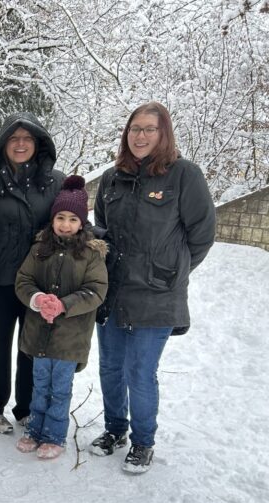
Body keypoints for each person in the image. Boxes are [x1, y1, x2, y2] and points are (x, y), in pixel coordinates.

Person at [90, 102, 216, 473]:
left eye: (149, 129)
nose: (140, 136)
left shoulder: (184, 176)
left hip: (158, 295)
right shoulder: (114, 178)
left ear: (164, 134)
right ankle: (115, 430)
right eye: (134, 129)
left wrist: (171, 272)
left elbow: (202, 235)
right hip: (114, 291)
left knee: (140, 372)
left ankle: (143, 442)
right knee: (110, 368)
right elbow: (104, 227)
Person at [0, 112, 65, 434]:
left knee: (33, 346)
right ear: (4, 145)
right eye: (14, 138)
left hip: (42, 282)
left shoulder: (57, 184)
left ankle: (27, 408)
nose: (21, 144)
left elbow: (71, 227)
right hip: (0, 281)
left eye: (27, 138)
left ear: (38, 144)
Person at [14, 176, 108, 459]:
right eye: (60, 218)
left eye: (72, 219)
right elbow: (24, 279)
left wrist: (64, 305)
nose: (65, 225)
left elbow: (96, 290)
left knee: (60, 388)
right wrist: (37, 299)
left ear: (82, 222)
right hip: (39, 333)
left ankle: (54, 435)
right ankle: (35, 429)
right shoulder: (40, 247)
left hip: (70, 339)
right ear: (53, 219)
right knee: (39, 384)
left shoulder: (91, 254)